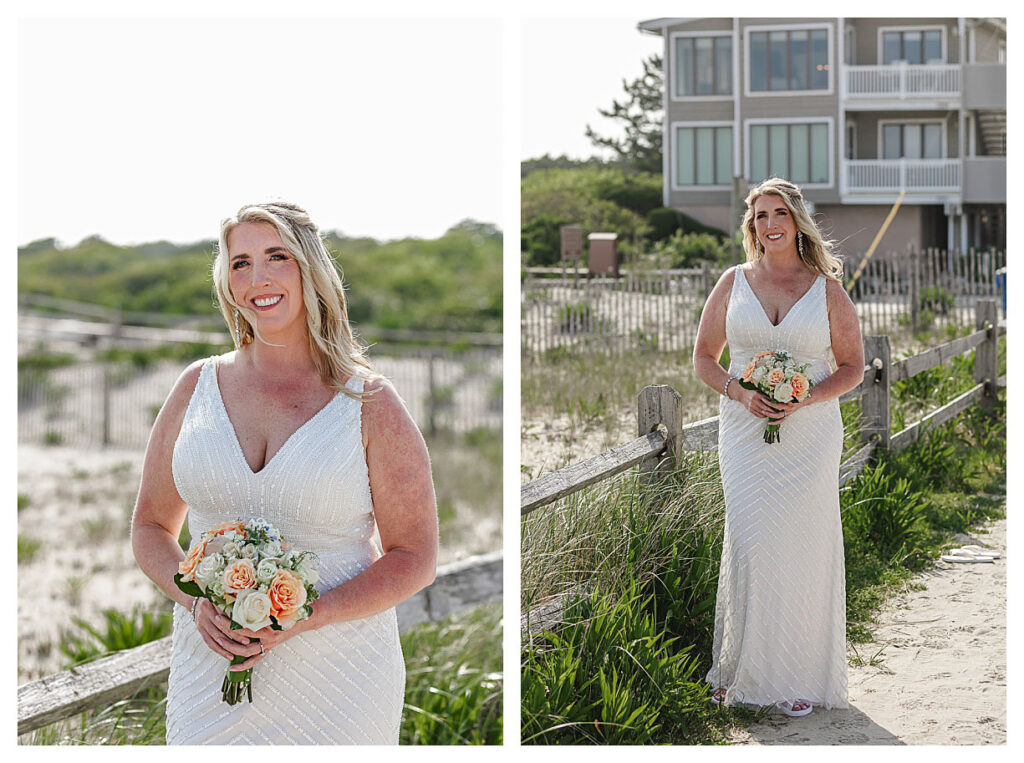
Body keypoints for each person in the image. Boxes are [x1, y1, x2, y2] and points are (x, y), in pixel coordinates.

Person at [131, 201, 438, 744]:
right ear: (226, 281)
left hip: (338, 679)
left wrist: (308, 615)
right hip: (208, 671)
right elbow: (151, 528)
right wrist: (195, 601)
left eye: (277, 256)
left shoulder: (368, 402)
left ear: (309, 269)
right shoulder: (194, 388)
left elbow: (415, 558)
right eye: (241, 262)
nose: (258, 277)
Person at [692, 178, 864, 716]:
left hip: (809, 438)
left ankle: (797, 676)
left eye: (780, 214)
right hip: (743, 436)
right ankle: (738, 669)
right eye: (760, 215)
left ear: (796, 222)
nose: (770, 224)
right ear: (752, 227)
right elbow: (702, 358)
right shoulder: (733, 282)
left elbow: (853, 368)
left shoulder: (827, 291)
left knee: (801, 547)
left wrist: (806, 395)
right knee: (751, 542)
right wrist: (740, 392)